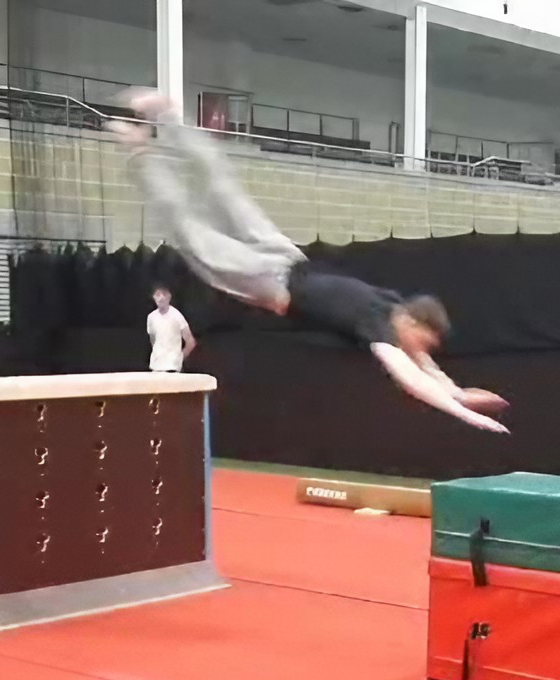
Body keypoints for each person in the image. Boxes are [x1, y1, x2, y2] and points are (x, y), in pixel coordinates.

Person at [107, 90, 511, 434]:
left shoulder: (391, 311)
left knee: (216, 201)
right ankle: (154, 132)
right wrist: (462, 412)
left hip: (282, 267)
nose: (421, 352)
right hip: (273, 272)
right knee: (202, 217)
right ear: (412, 322)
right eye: (423, 341)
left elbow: (428, 371)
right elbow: (415, 382)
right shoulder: (381, 328)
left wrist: (459, 393)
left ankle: (158, 130)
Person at [146, 284, 196, 372]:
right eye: (157, 295)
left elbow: (191, 342)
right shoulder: (151, 317)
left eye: (164, 294)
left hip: (172, 366)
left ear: (169, 297)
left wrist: (180, 358)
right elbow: (153, 340)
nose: (161, 298)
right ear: (153, 297)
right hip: (156, 366)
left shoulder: (177, 316)